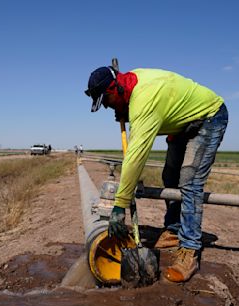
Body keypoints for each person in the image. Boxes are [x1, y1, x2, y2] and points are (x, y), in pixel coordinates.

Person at [85, 66, 228, 283]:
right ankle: (173, 230)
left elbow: (135, 156)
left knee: (190, 181)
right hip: (182, 125)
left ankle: (189, 250)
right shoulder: (130, 87)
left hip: (208, 116)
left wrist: (120, 205)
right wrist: (125, 108)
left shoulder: (144, 99)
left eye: (106, 101)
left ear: (115, 89)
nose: (107, 107)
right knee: (170, 177)